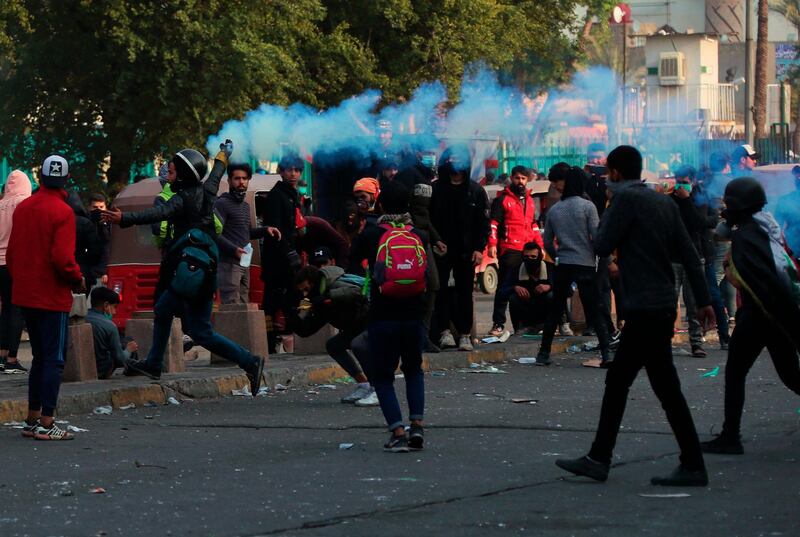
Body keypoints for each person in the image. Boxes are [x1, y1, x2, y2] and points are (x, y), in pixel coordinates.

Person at [555, 145, 715, 487]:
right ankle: (683, 462)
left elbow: (601, 243)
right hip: (661, 304)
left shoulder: (626, 201)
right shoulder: (663, 201)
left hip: (644, 306)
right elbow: (689, 253)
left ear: (614, 173)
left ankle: (604, 459)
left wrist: (611, 207)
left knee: (634, 383)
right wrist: (704, 300)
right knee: (655, 384)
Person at [102, 141, 265, 395]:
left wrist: (123, 218)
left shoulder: (181, 199)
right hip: (205, 270)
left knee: (166, 310)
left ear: (185, 174)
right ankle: (248, 361)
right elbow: (217, 171)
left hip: (189, 272)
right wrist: (223, 154)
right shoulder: (209, 191)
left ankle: (156, 363)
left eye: (173, 171)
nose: (168, 175)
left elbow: (155, 215)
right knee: (199, 329)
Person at [702, 177, 800, 455]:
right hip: (772, 315)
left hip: (759, 315)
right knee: (791, 376)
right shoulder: (762, 228)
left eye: (728, 205)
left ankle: (730, 436)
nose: (724, 209)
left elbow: (758, 281)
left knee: (736, 371)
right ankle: (729, 434)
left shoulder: (747, 235)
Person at [7, 155, 85, 440]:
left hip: (25, 294)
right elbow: (63, 259)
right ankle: (47, 422)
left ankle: (31, 418)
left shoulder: (24, 207)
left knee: (39, 358)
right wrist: (77, 277)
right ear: (66, 179)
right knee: (54, 359)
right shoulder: (63, 212)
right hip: (52, 297)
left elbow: (13, 253)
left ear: (40, 177)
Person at [350, 180, 429, 452]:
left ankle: (397, 430)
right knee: (413, 370)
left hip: (382, 314)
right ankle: (417, 425)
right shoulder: (419, 234)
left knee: (383, 376)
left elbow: (351, 261)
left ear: (380, 202)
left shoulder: (372, 234)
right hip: (414, 314)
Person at [537, 166, 610, 368]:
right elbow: (596, 236)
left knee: (556, 309)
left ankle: (543, 353)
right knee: (594, 309)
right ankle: (607, 353)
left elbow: (548, 242)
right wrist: (597, 255)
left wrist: (557, 256)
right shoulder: (588, 207)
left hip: (564, 264)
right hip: (585, 264)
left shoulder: (555, 210)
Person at [430, 145, 490, 351]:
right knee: (440, 290)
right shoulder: (435, 189)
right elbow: (428, 220)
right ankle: (444, 331)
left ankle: (465, 334)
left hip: (467, 251)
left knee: (465, 291)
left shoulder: (475, 191)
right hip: (441, 249)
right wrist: (436, 240)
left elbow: (483, 224)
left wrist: (479, 248)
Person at [290, 265, 376, 405]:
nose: (305, 294)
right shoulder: (317, 300)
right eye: (302, 291)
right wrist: (295, 319)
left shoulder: (334, 284)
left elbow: (357, 292)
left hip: (371, 320)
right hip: (355, 326)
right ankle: (364, 385)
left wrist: (328, 297)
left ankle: (377, 388)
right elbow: (308, 330)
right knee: (333, 345)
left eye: (306, 289)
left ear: (313, 282)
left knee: (358, 345)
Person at [487, 165, 543, 337]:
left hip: (528, 250)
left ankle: (523, 325)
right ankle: (498, 324)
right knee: (505, 287)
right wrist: (492, 246)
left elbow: (533, 225)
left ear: (528, 180)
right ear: (512, 178)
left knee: (527, 288)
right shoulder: (502, 199)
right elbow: (493, 224)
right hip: (510, 249)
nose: (520, 181)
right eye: (517, 178)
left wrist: (540, 246)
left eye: (523, 179)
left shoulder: (530, 200)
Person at [213, 163, 281, 305]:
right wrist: (233, 250)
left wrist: (265, 230)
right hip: (228, 264)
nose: (241, 182)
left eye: (245, 178)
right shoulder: (222, 203)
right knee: (232, 308)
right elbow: (214, 233)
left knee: (244, 306)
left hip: (244, 262)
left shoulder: (245, 206)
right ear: (229, 181)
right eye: (237, 178)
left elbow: (246, 233)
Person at [260, 154, 307, 353]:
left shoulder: (293, 194)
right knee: (272, 302)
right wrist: (290, 254)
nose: (293, 174)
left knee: (290, 298)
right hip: (278, 260)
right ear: (281, 171)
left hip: (292, 257)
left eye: (297, 170)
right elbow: (276, 231)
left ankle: (286, 338)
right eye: (289, 170)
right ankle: (270, 341)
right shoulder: (276, 195)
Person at [671, 165, 707, 358]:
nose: (681, 185)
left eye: (685, 181)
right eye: (678, 180)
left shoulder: (699, 200)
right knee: (669, 302)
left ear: (692, 181)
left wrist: (686, 202)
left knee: (693, 304)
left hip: (693, 257)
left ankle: (696, 342)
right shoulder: (669, 200)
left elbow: (699, 224)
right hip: (673, 258)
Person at [0, 170, 32, 374]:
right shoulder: (25, 204)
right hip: (15, 262)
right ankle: (12, 358)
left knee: (4, 311)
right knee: (16, 310)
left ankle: (1, 356)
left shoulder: (1, 204)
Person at [498, 242, 552, 334]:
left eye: (533, 256)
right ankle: (520, 328)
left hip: (546, 312)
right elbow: (501, 292)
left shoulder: (550, 268)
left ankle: (557, 326)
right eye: (526, 257)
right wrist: (514, 287)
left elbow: (569, 290)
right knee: (513, 298)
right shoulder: (516, 269)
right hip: (527, 312)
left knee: (552, 295)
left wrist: (550, 287)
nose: (529, 259)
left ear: (540, 257)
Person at [86, 287, 138, 379]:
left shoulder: (83, 318)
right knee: (129, 342)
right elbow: (120, 360)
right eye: (114, 307)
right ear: (106, 306)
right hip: (102, 370)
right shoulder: (110, 326)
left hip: (86, 368)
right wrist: (129, 350)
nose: (114, 312)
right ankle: (132, 371)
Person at [774, 165, 800, 260]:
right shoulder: (785, 200)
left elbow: (775, 229)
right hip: (793, 250)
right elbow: (776, 228)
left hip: (793, 252)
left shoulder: (785, 200)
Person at [87, 193, 112, 287]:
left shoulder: (111, 224)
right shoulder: (86, 223)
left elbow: (108, 247)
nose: (98, 210)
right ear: (89, 207)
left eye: (101, 207)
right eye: (95, 207)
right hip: (90, 269)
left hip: (103, 271)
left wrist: (105, 271)